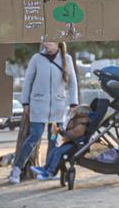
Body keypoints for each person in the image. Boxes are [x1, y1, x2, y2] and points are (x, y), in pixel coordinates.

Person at [10, 41, 78, 185]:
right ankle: (16, 169)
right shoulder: (37, 58)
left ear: (58, 43)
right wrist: (25, 103)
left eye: (49, 42)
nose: (45, 44)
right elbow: (27, 81)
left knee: (54, 139)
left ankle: (50, 170)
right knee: (34, 135)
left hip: (57, 108)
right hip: (38, 105)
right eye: (44, 41)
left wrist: (73, 103)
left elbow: (72, 83)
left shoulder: (67, 59)